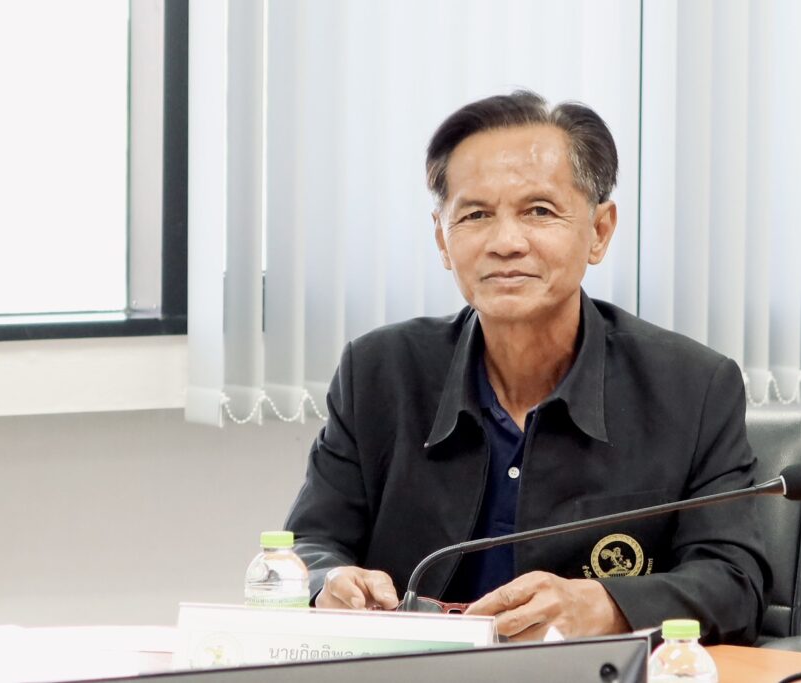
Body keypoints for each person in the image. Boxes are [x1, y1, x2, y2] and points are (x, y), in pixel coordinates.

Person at [285, 90, 771, 644]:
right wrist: (328, 582)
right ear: (443, 239)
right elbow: (308, 547)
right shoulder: (377, 373)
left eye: (538, 211)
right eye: (475, 215)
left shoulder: (691, 387)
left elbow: (735, 581)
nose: (506, 242)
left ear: (600, 231)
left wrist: (609, 605)